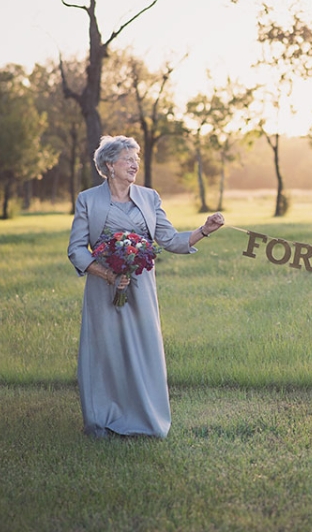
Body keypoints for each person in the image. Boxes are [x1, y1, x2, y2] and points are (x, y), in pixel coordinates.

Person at [68, 135, 224, 438]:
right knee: (106, 352)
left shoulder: (150, 197)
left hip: (141, 289)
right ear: (110, 165)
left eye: (136, 159)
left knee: (143, 350)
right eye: (128, 158)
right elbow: (76, 250)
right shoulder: (88, 199)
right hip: (103, 289)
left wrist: (204, 230)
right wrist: (110, 276)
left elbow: (170, 240)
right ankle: (103, 419)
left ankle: (145, 419)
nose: (135, 164)